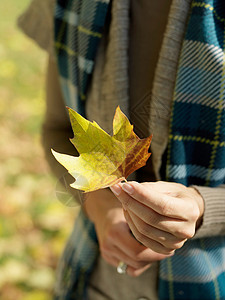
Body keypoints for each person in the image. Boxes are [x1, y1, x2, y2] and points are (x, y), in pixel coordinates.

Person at [18, 0, 225, 299]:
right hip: (91, 281)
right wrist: (99, 206)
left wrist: (205, 207)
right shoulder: (70, 5)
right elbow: (57, 129)